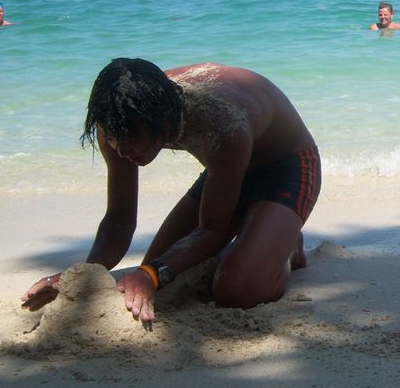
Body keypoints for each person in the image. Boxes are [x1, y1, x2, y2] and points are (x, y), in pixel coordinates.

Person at [21, 59, 322, 325]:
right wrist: (81, 276)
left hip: (287, 169)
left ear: (163, 120)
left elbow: (211, 231)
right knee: (158, 270)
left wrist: (152, 274)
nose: (122, 150)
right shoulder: (114, 121)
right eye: (114, 139)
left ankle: (285, 248)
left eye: (131, 139)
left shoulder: (219, 119)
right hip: (224, 169)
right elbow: (119, 220)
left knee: (236, 290)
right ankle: (265, 235)